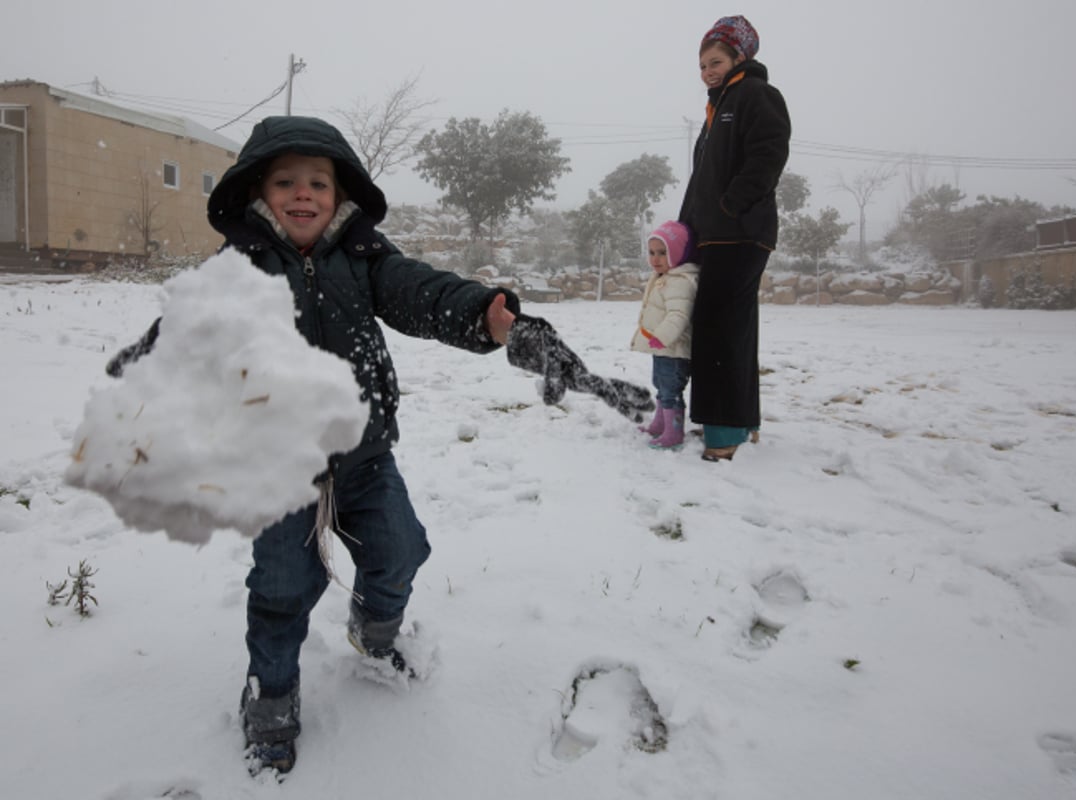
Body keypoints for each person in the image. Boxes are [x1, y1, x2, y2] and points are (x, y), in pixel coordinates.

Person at [105, 115, 652, 778]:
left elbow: (424, 292)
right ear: (257, 191)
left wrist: (493, 317)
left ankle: (375, 629)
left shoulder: (365, 260)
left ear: (342, 195)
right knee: (281, 590)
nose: (303, 194)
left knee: (401, 550)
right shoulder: (237, 269)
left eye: (318, 182)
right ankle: (270, 697)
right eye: (286, 181)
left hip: (363, 459)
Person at [677, 15, 791, 461]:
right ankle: (742, 421)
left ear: (740, 57)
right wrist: (685, 228)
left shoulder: (755, 95)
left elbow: (769, 153)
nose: (708, 70)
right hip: (715, 235)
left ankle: (722, 436)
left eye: (716, 61)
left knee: (716, 326)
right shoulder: (716, 110)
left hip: (740, 233)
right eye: (702, 64)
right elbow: (700, 181)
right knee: (734, 326)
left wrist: (731, 205)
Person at [630, 220, 699, 450]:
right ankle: (660, 424)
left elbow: (678, 315)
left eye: (662, 253)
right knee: (661, 385)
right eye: (651, 253)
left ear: (677, 253)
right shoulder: (663, 278)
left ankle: (674, 431)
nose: (655, 258)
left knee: (670, 389)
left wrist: (662, 336)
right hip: (662, 347)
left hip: (674, 348)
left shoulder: (680, 282)